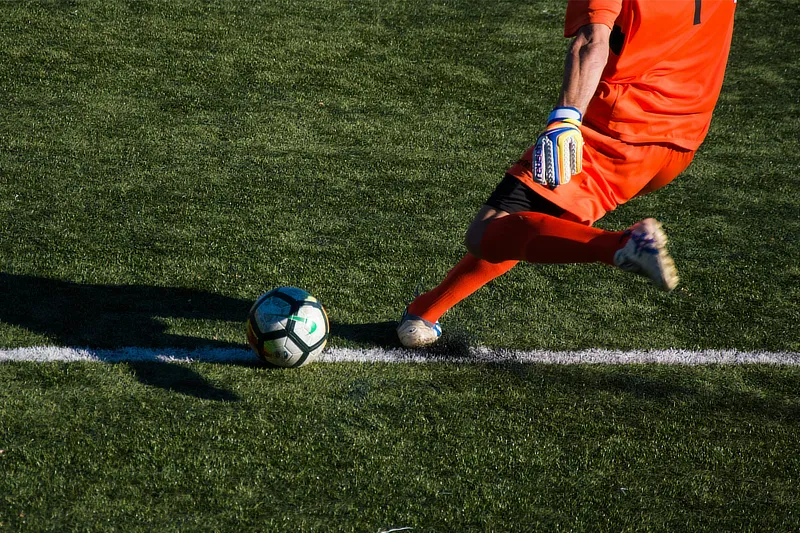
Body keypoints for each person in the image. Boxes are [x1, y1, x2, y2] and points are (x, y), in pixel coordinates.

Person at [397, 0, 738, 347]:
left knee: (484, 233)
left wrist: (566, 117)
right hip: (681, 143)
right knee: (528, 222)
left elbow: (592, 40)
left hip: (617, 132)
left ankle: (621, 246)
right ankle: (424, 312)